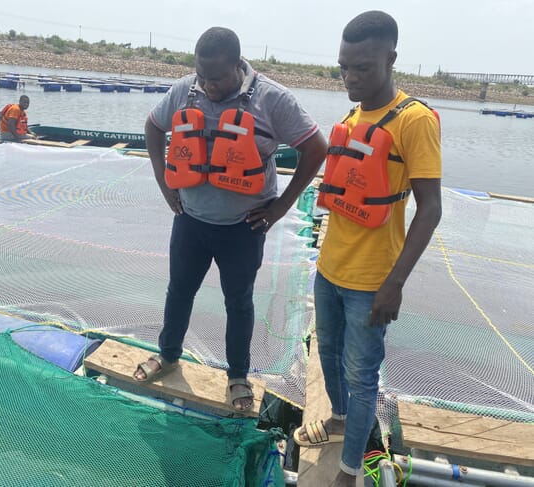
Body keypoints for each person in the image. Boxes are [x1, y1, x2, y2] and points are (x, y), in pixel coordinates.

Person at [132, 26, 328, 411]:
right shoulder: (186, 90)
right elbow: (154, 127)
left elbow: (316, 147)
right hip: (190, 220)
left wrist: (281, 206)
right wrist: (162, 180)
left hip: (243, 227)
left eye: (217, 78)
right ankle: (169, 354)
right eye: (202, 76)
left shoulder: (273, 99)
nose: (209, 86)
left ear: (238, 65)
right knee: (179, 291)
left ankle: (237, 375)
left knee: (238, 302)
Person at [292, 11, 442, 486]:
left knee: (362, 378)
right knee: (328, 354)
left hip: (371, 282)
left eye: (363, 68)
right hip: (330, 270)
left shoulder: (414, 121)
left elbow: (431, 208)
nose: (350, 78)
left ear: (390, 59)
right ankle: (338, 421)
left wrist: (394, 284)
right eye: (344, 67)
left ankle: (350, 470)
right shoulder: (352, 117)